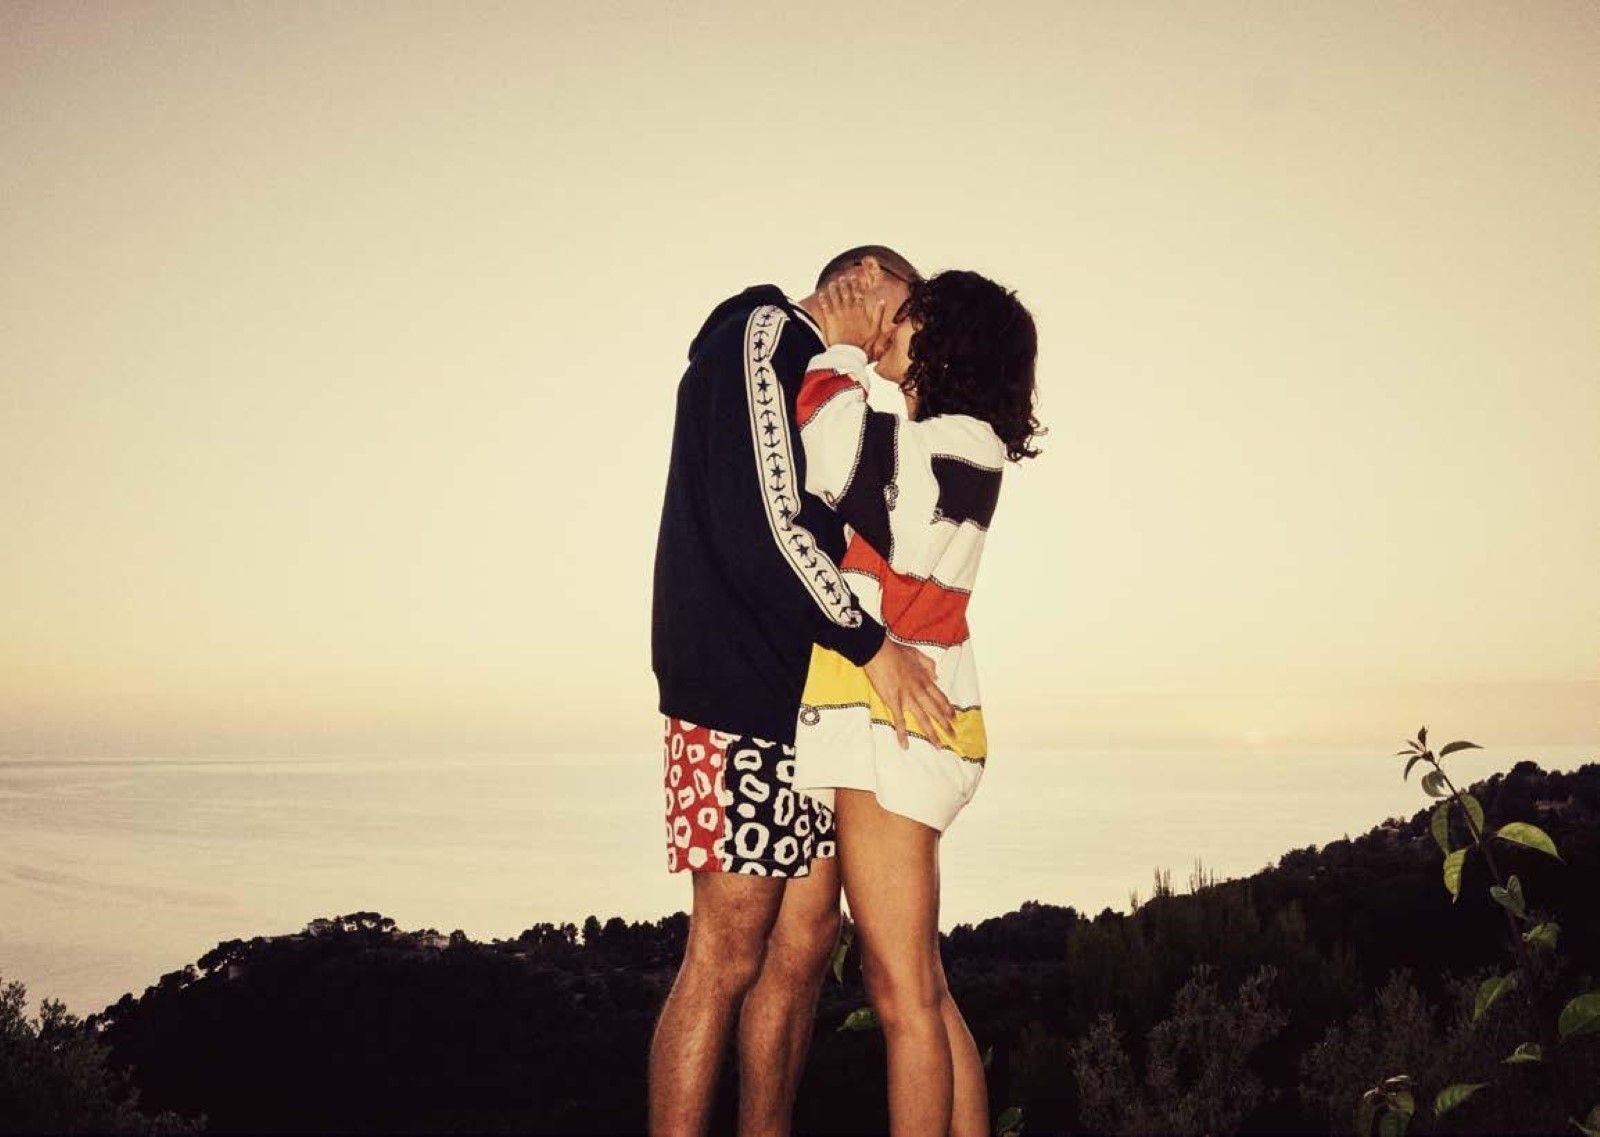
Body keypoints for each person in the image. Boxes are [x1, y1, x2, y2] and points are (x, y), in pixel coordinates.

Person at [648, 246, 959, 1137]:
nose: (910, 339)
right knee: (726, 952)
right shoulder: (763, 333)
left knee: (802, 946)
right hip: (734, 692)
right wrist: (874, 646)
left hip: (808, 700)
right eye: (910, 313)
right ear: (869, 277)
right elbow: (767, 526)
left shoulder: (831, 386)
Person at [792, 269, 1041, 1137]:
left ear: (946, 340)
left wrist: (836, 347)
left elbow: (835, 453)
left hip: (894, 732)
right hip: (900, 727)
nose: (892, 325)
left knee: (901, 994)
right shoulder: (956, 443)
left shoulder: (957, 446)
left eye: (909, 317)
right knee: (921, 985)